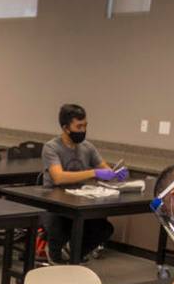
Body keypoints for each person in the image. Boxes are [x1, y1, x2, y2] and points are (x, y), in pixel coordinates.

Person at [40, 103, 129, 263]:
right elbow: (58, 177)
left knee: (103, 229)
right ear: (66, 128)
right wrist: (93, 173)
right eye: (79, 126)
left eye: (85, 125)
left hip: (79, 203)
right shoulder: (51, 147)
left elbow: (105, 169)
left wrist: (115, 174)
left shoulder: (87, 147)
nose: (83, 130)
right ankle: (57, 256)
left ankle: (72, 254)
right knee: (60, 229)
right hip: (54, 204)